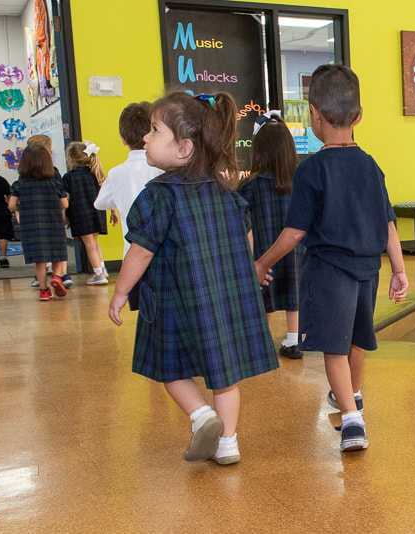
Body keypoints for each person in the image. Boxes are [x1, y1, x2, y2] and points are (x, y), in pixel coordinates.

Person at [108, 91, 278, 466]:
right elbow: (245, 236)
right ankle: (228, 443)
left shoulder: (158, 195)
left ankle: (202, 416)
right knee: (225, 375)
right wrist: (249, 271)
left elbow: (141, 249)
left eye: (154, 130)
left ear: (184, 148)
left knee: (170, 369)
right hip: (224, 297)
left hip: (175, 299)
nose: (146, 138)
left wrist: (121, 291)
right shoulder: (225, 191)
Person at [254, 65, 409, 452]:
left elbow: (295, 233)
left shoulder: (312, 169)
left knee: (334, 350)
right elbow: (388, 222)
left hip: (328, 271)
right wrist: (400, 269)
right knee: (356, 341)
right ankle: (351, 397)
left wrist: (261, 262)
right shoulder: (371, 165)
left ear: (314, 116)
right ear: (359, 116)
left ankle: (353, 422)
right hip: (368, 270)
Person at [238, 111, 303, 359]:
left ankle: (261, 343)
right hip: (297, 251)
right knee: (294, 292)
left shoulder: (249, 185)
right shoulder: (301, 180)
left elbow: (242, 225)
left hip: (263, 253)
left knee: (262, 293)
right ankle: (295, 340)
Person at [94, 102, 163, 258]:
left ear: (123, 139)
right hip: (163, 253)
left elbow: (100, 203)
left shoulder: (116, 173)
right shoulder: (163, 168)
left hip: (131, 253)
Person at [8, 144, 69, 301]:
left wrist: (20, 208)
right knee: (57, 254)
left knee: (39, 260)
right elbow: (65, 204)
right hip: (53, 222)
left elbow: (11, 205)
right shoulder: (53, 182)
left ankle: (44, 291)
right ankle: (56, 277)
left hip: (31, 225)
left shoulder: (20, 183)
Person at [26, 134, 73, 289]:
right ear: (49, 154)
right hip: (54, 217)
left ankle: (40, 280)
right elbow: (62, 198)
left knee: (40, 248)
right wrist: (64, 216)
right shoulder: (54, 173)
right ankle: (60, 274)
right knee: (58, 247)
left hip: (35, 219)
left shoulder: (25, 176)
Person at [63, 141, 109, 285]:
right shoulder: (95, 173)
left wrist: (65, 216)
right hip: (97, 213)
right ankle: (102, 268)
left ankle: (98, 273)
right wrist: (113, 211)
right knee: (94, 243)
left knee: (89, 245)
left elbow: (66, 199)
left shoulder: (68, 177)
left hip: (81, 214)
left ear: (70, 158)